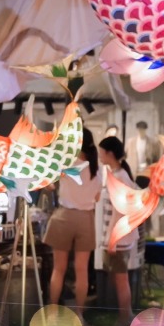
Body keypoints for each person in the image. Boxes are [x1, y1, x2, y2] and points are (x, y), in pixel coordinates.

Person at [45, 128, 100, 314]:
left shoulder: (67, 163)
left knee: (58, 269)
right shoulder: (97, 170)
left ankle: (52, 312)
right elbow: (98, 197)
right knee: (82, 270)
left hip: (65, 217)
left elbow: (50, 184)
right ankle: (79, 313)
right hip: (86, 218)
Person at [97, 135, 138, 323]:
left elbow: (119, 212)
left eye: (101, 152)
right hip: (117, 237)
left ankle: (126, 316)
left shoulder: (120, 177)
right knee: (119, 278)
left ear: (109, 153)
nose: (99, 156)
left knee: (121, 279)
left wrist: (111, 239)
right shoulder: (117, 174)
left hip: (119, 238)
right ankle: (125, 315)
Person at [132, 120, 162, 184]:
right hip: (135, 172)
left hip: (146, 172)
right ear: (137, 130)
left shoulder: (152, 143)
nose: (141, 132)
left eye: (143, 130)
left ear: (145, 130)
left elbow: (156, 159)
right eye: (139, 130)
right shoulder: (131, 142)